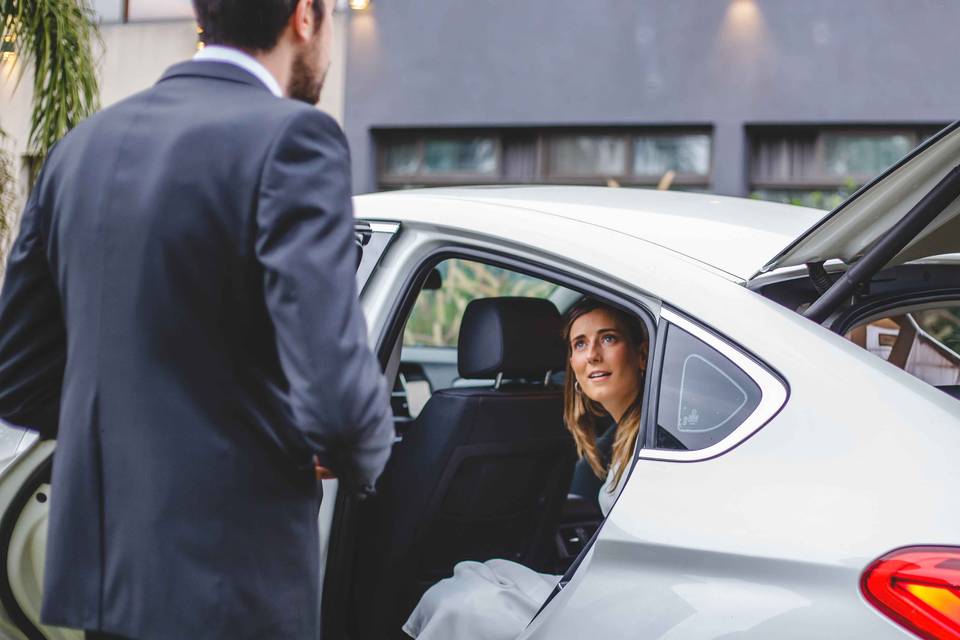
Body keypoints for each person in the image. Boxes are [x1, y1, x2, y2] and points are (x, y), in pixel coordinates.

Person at [0, 0, 395, 638]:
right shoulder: (295, 138)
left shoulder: (80, 149)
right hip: (229, 581)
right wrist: (372, 457)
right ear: (303, 17)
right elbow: (338, 403)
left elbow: (16, 377)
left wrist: (136, 434)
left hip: (100, 578)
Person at [403, 297, 648, 640]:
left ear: (641, 354)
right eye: (580, 344)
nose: (592, 354)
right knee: (473, 578)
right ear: (573, 364)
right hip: (602, 589)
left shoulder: (653, 439)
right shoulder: (627, 434)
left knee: (465, 602)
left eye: (608, 338)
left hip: (624, 608)